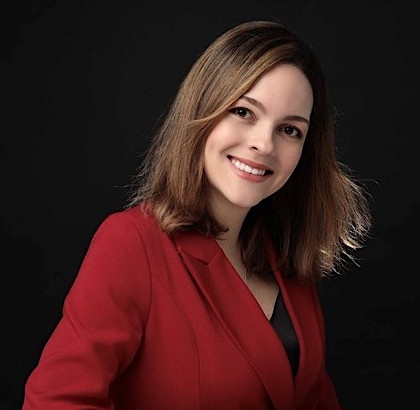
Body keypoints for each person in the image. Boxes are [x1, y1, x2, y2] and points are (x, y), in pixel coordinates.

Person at [22, 20, 372, 410]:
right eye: (243, 111)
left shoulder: (288, 260)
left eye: (290, 130)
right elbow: (54, 401)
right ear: (203, 111)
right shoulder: (132, 244)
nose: (263, 143)